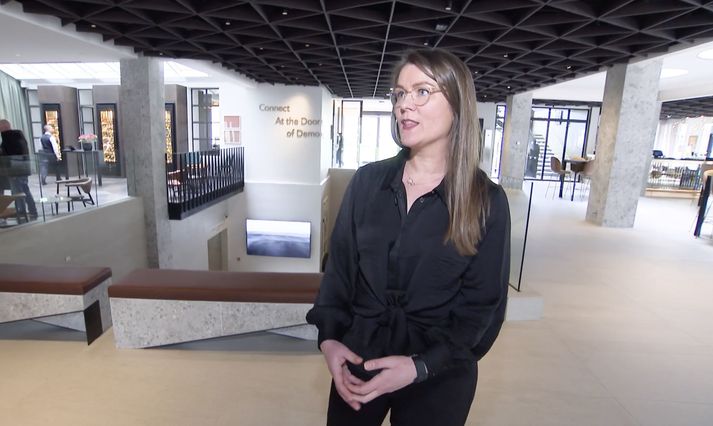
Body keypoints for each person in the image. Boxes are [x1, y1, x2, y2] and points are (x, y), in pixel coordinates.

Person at [306, 49, 511, 426]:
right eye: (399, 93)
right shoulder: (367, 182)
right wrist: (330, 339)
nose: (404, 105)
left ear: (457, 104)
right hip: (360, 357)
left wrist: (420, 366)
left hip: (438, 370)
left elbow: (482, 308)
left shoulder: (486, 201)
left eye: (422, 92)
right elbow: (339, 272)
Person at [0, 119, 38, 219]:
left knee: (18, 192)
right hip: (21, 169)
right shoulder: (18, 137)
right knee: (24, 190)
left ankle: (22, 212)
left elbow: (8, 154)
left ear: (3, 127)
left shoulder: (9, 138)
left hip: (15, 171)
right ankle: (30, 211)